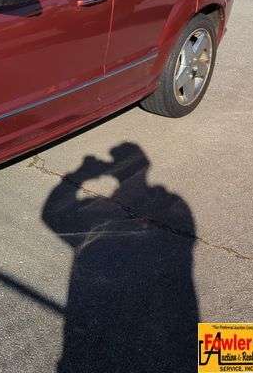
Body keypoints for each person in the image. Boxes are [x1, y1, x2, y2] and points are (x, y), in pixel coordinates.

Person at [42, 142, 199, 372]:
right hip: (173, 329)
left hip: (114, 337)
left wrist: (81, 174)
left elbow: (53, 215)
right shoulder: (170, 205)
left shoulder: (101, 214)